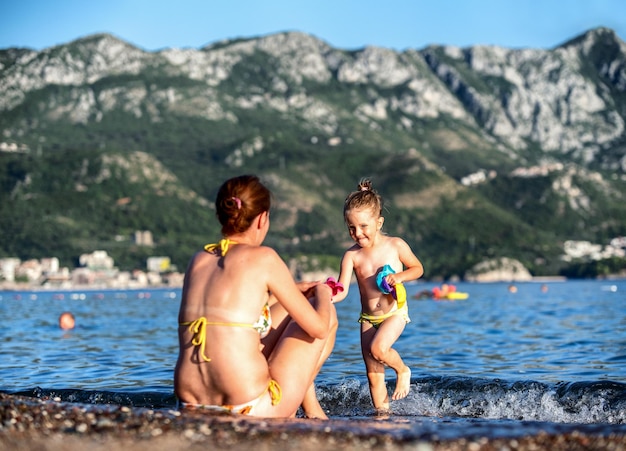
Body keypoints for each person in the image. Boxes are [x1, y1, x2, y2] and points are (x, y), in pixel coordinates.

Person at [174, 175, 337, 418]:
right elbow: (319, 329)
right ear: (262, 218)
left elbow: (235, 316)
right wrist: (323, 293)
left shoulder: (198, 260)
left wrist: (291, 291)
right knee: (324, 313)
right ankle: (310, 413)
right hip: (249, 406)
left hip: (190, 403)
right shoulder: (264, 257)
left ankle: (303, 411)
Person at [331, 179, 424, 411]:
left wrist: (400, 278)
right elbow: (342, 289)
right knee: (374, 376)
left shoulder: (395, 245)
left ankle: (402, 370)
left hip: (394, 313)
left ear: (379, 222)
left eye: (364, 226)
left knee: (378, 349)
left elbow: (418, 269)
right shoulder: (351, 256)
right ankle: (382, 418)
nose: (357, 233)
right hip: (367, 319)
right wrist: (327, 294)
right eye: (351, 227)